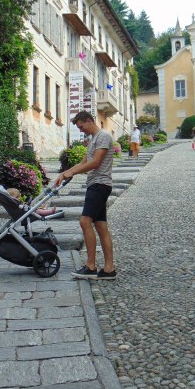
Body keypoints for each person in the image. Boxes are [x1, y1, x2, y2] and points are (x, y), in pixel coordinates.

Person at [54, 111, 116, 280]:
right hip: (96, 184)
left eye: (82, 126)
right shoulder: (94, 140)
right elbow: (84, 162)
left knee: (84, 221)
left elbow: (95, 163)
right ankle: (109, 269)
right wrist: (65, 173)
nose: (81, 130)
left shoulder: (103, 136)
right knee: (101, 226)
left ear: (89, 121)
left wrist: (71, 173)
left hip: (99, 184)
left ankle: (90, 266)